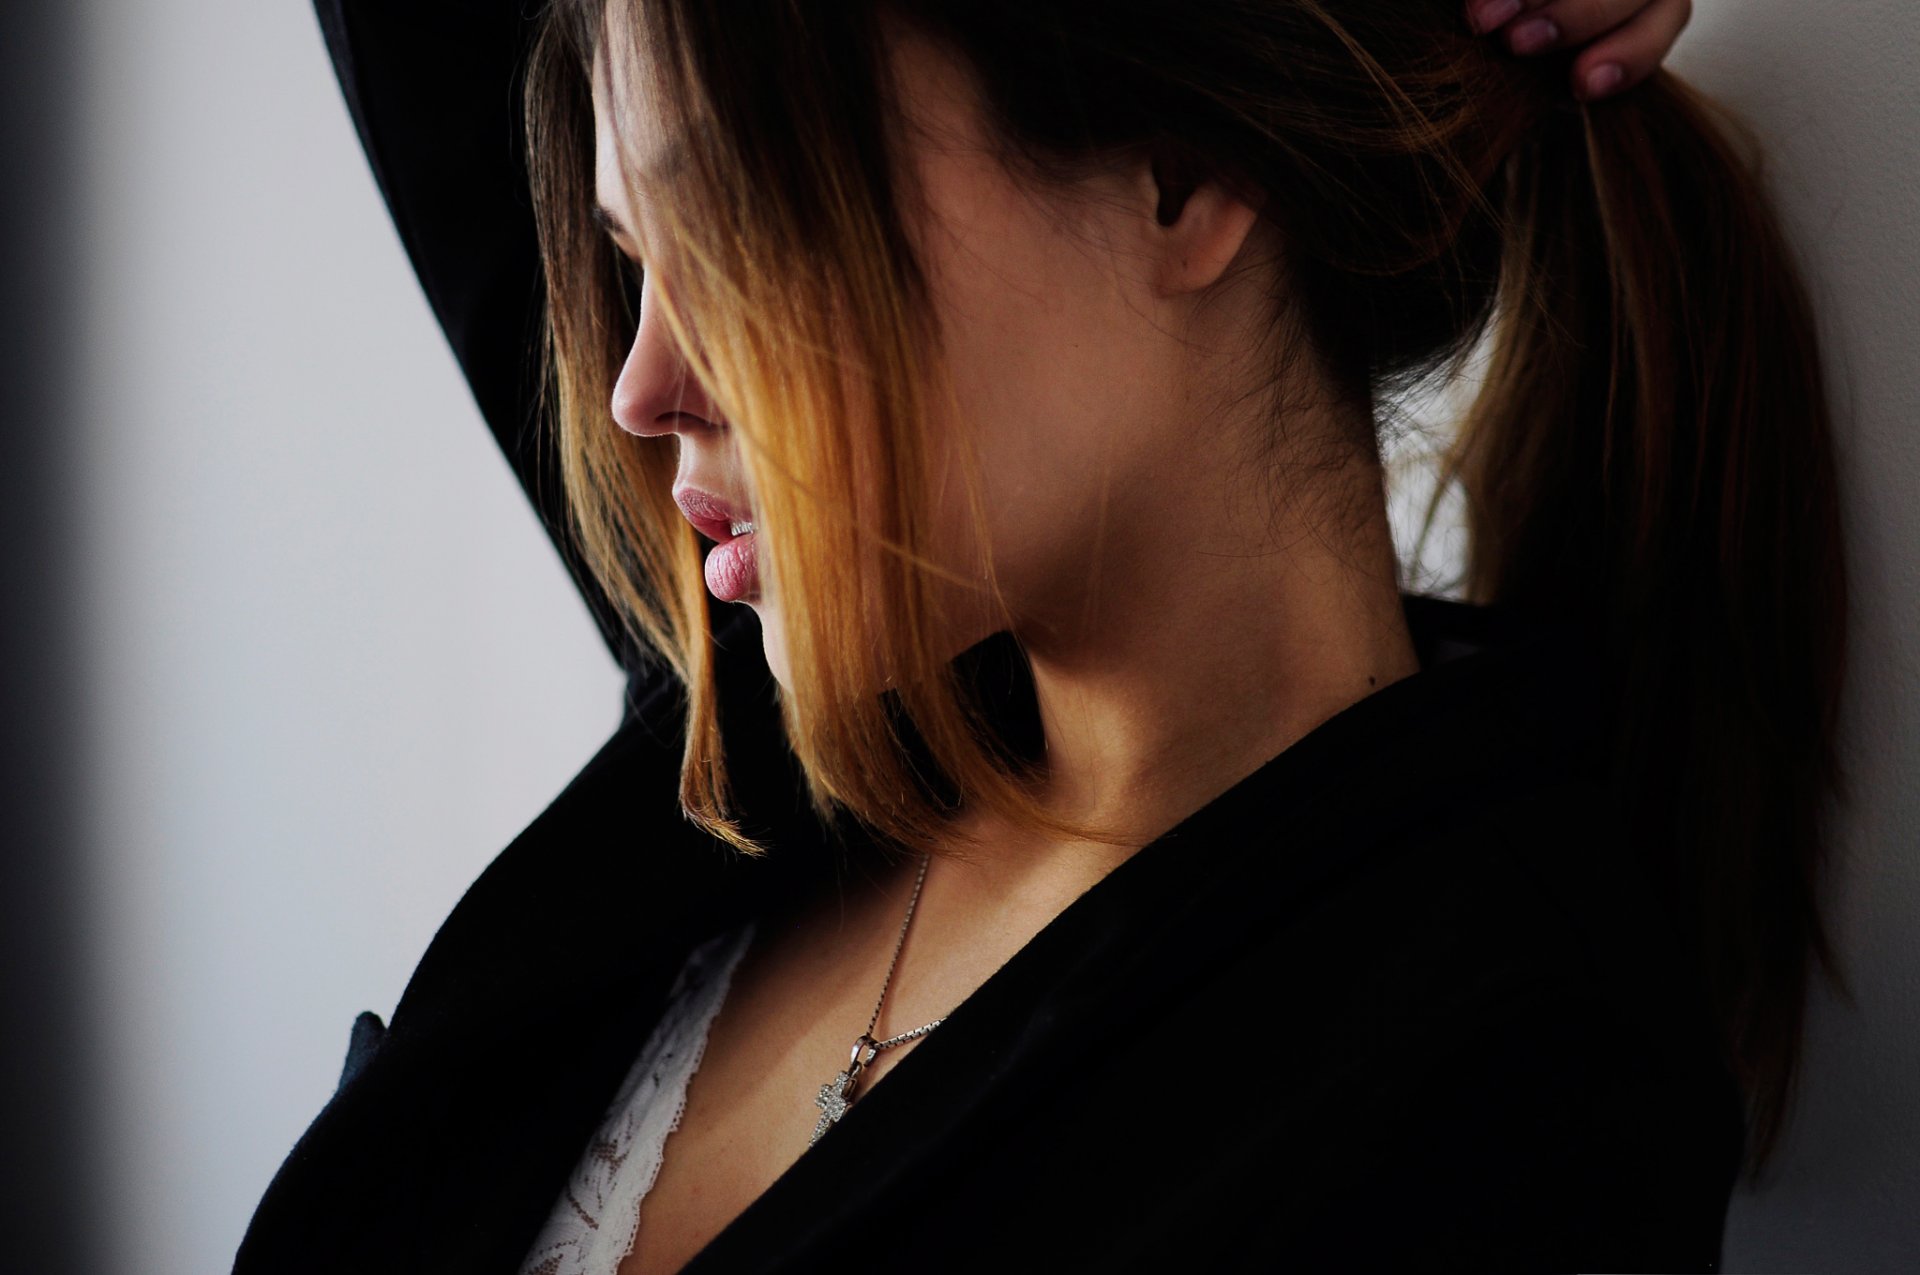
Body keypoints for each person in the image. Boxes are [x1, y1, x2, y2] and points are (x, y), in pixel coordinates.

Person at [237, 0, 1848, 1271]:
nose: (638, 390)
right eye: (631, 258)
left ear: (1179, 178)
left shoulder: (1511, 1085)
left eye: (732, 229)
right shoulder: (778, 691)